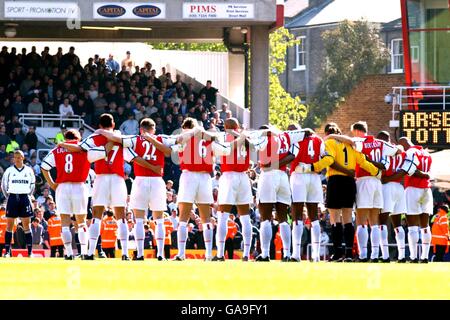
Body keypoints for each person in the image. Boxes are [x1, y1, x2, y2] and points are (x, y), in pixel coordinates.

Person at [60, 113, 157, 260]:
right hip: (118, 179)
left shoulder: (94, 137)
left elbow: (79, 148)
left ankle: (90, 252)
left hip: (101, 178)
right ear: (113, 125)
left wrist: (62, 144)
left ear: (100, 125)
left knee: (96, 217)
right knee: (121, 218)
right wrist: (151, 166)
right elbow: (134, 157)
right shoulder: (120, 139)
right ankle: (124, 253)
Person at [96, 117, 175, 260]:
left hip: (140, 180)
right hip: (158, 181)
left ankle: (139, 254)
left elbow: (117, 138)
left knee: (139, 220)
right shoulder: (161, 138)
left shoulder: (135, 139)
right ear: (154, 129)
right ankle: (160, 255)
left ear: (140, 129)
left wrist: (101, 131)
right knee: (159, 220)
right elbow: (169, 151)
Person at [306, 123, 380, 262]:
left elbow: (329, 160)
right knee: (347, 218)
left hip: (335, 180)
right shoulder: (351, 144)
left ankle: (338, 253)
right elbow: (363, 162)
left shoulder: (330, 142)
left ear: (327, 133)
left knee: (335, 219)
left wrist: (313, 167)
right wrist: (377, 172)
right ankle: (349, 254)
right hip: (349, 182)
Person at [172, 117, 232, 261]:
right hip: (205, 178)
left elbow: (174, 145)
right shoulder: (208, 140)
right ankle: (209, 254)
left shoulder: (184, 138)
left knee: (183, 218)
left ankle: (181, 254)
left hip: (188, 176)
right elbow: (225, 151)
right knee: (206, 219)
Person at [249, 125, 311, 261]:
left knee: (265, 217)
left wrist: (268, 164)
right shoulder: (285, 136)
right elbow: (307, 133)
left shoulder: (264, 137)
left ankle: (265, 254)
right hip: (283, 176)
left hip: (269, 175)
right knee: (283, 218)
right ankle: (287, 254)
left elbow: (250, 142)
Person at [41, 129, 105, 259]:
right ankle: (84, 252)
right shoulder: (83, 148)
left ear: (65, 138)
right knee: (81, 223)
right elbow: (102, 153)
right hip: (79, 186)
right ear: (78, 138)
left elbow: (44, 166)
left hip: (62, 187)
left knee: (65, 223)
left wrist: (52, 184)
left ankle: (69, 253)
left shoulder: (57, 149)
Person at [382, 137, 433, 263]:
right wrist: (426, 175)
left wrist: (423, 175)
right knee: (425, 226)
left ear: (403, 143)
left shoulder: (410, 152)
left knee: (412, 226)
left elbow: (410, 169)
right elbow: (430, 172)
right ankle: (425, 257)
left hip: (413, 188)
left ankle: (414, 257)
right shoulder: (427, 153)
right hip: (427, 189)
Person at [213, 118, 253, 261]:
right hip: (243, 177)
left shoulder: (224, 136)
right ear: (237, 126)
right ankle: (247, 253)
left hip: (229, 175)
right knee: (245, 217)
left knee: (222, 216)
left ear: (225, 126)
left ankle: (220, 254)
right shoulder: (245, 137)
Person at [289, 124, 326, 262]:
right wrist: (317, 168)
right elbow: (326, 157)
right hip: (314, 176)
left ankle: (296, 254)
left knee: (297, 214)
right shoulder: (318, 140)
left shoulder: (295, 139)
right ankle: (315, 255)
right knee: (314, 215)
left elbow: (291, 156)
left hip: (299, 175)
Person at [377, 131, 408, 262]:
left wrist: (386, 178)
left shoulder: (384, 150)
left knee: (381, 222)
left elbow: (383, 170)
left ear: (381, 140)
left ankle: (385, 256)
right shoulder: (401, 151)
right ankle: (402, 256)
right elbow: (405, 170)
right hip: (399, 187)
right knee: (397, 224)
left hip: (387, 187)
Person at [1, 150, 36, 257]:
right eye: (15, 157)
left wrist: (27, 196)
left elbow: (32, 185)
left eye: (19, 157)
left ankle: (30, 252)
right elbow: (4, 185)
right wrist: (9, 197)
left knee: (26, 225)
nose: (17, 159)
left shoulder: (29, 170)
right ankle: (7, 252)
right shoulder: (9, 171)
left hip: (24, 197)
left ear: (23, 158)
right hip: (12, 197)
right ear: (13, 158)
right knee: (9, 225)